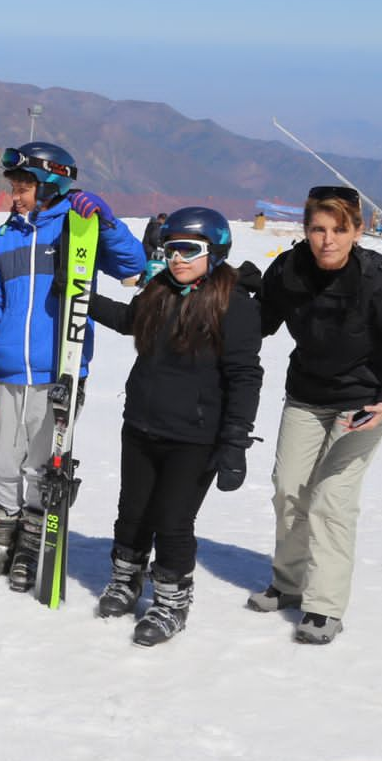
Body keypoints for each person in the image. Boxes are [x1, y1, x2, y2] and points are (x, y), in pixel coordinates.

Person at [0, 142, 147, 592]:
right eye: (14, 187)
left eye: (25, 187)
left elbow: (133, 265)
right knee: (4, 461)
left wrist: (106, 221)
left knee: (39, 466)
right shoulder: (4, 237)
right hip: (8, 371)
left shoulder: (77, 229)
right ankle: (1, 542)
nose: (16, 196)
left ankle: (29, 544)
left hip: (57, 371)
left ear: (50, 186)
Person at [252, 185, 382, 644]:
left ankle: (324, 607)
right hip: (307, 396)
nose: (327, 240)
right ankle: (288, 584)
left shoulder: (380, 281)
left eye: (338, 229)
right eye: (317, 228)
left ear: (357, 231)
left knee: (331, 498)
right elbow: (258, 321)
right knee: (289, 489)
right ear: (305, 230)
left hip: (365, 402)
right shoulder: (289, 269)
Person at [87, 208, 264, 645]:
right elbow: (131, 322)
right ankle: (126, 580)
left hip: (194, 436)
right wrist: (84, 298)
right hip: (143, 424)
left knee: (172, 520)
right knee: (132, 512)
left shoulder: (233, 305)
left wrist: (235, 441)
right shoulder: (160, 290)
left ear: (216, 253)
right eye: (170, 249)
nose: (178, 259)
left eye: (190, 250)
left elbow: (245, 376)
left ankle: (170, 601)